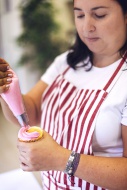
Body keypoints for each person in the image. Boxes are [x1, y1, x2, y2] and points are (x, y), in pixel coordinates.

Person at [0, 0, 127, 189]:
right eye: (79, 15)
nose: (86, 27)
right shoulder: (66, 62)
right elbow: (31, 113)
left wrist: (61, 159)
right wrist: (7, 91)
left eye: (99, 15)